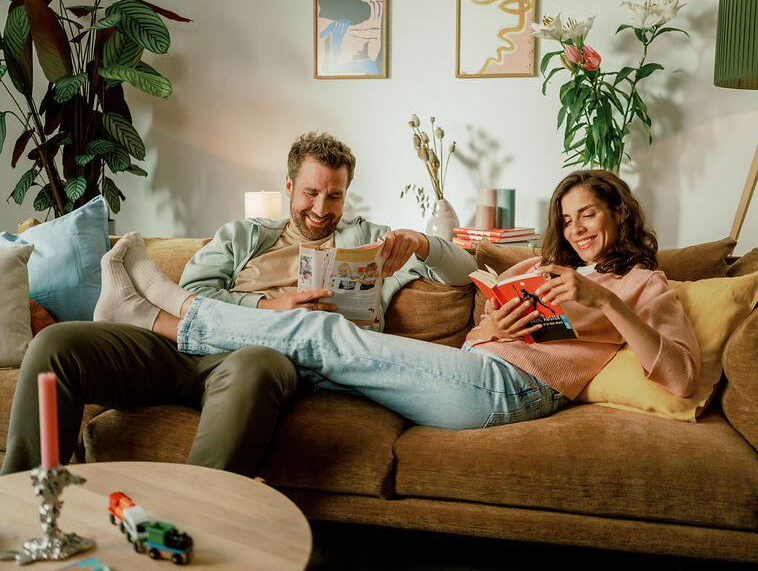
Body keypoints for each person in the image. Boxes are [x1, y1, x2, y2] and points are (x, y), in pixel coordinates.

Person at [1, 132, 476, 476]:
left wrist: (422, 243)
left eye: (334, 196)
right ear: (289, 187)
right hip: (179, 350)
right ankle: (22, 508)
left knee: (254, 361)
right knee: (58, 344)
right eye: (311, 192)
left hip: (267, 360)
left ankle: (198, 524)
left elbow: (466, 270)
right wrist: (273, 307)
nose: (320, 208)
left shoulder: (372, 244)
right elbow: (195, 295)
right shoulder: (241, 236)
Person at [89, 170, 700, 431]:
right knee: (312, 354)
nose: (576, 230)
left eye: (587, 214)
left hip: (511, 392)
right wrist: (498, 319)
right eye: (566, 220)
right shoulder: (545, 265)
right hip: (478, 370)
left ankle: (156, 312)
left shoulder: (647, 284)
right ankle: (158, 321)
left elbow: (680, 377)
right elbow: (478, 292)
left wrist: (607, 301)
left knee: (317, 333)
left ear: (617, 213)